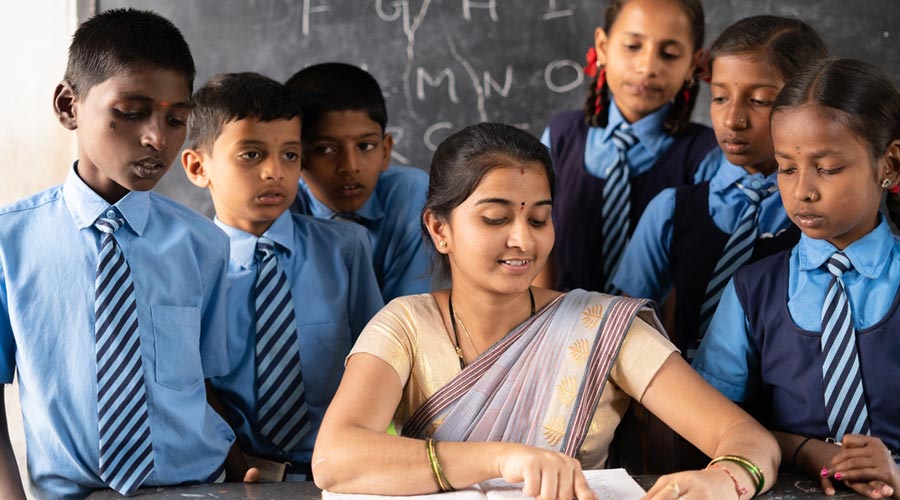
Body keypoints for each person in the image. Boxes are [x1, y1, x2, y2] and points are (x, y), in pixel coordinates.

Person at [313, 122, 779, 500]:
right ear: (439, 229)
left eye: (539, 218)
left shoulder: (599, 326)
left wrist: (723, 480)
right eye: (495, 219)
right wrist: (503, 460)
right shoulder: (406, 324)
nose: (525, 240)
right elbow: (335, 459)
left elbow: (748, 439)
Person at [0, 9, 234, 499]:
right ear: (69, 105)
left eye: (176, 120)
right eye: (131, 112)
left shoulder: (205, 244)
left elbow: (210, 383)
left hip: (199, 488)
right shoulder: (9, 242)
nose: (158, 138)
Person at [693, 58, 900, 499]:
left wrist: (896, 473)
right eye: (787, 167)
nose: (802, 190)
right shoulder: (752, 290)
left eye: (827, 168)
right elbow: (712, 423)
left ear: (891, 165)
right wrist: (807, 451)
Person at [181, 72, 384, 481]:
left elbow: (381, 362)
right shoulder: (185, 266)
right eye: (251, 154)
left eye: (290, 155)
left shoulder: (346, 248)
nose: (275, 171)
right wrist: (233, 462)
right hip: (228, 477)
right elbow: (189, 383)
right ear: (198, 166)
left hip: (343, 473)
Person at [612, 16, 827, 356]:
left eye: (759, 101)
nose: (733, 120)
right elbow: (626, 325)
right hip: (684, 396)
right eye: (720, 98)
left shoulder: (824, 213)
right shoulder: (671, 209)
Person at [538, 0, 718, 294]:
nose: (647, 67)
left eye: (670, 53)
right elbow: (535, 241)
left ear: (693, 64)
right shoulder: (560, 136)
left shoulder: (705, 157)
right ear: (603, 46)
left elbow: (696, 273)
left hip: (658, 335)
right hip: (560, 327)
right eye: (633, 46)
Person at [285, 63, 432, 303]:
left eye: (365, 146)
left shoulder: (410, 195)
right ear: (297, 155)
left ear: (385, 151)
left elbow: (407, 316)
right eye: (326, 149)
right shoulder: (281, 206)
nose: (350, 166)